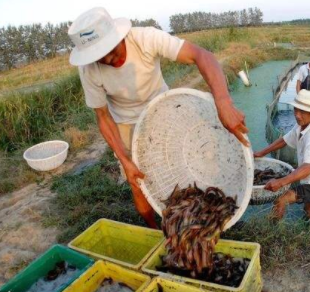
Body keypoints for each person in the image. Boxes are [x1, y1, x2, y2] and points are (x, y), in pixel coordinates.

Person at [68, 7, 249, 228]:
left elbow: (202, 56)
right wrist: (124, 160)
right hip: (126, 121)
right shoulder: (88, 70)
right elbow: (103, 117)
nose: (107, 58)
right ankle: (156, 230)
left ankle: (190, 223)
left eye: (111, 51)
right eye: (99, 56)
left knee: (178, 162)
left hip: (164, 111)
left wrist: (223, 102)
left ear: (118, 35)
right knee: (138, 182)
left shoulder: (145, 38)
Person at [253, 90, 310, 222]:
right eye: (295, 110)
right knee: (308, 209)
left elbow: (308, 167)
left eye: (302, 112)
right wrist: (262, 152)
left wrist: (280, 182)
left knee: (281, 199)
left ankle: (272, 230)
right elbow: (284, 140)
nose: (297, 115)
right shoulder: (301, 125)